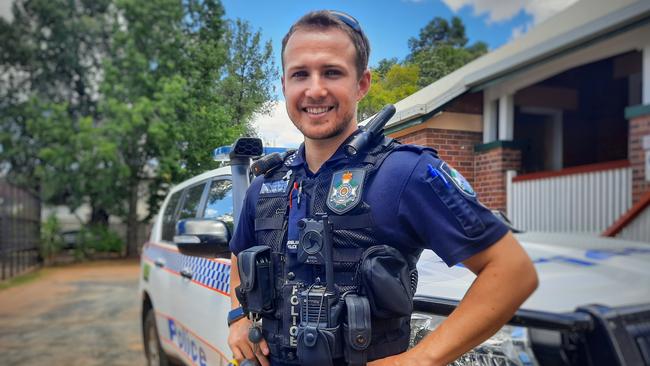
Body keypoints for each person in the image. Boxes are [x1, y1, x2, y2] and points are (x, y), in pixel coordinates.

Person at [227, 10, 538, 366]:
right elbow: (239, 252)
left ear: (362, 83)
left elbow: (512, 270)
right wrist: (237, 318)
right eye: (300, 74)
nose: (315, 89)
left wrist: (421, 358)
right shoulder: (267, 183)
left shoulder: (407, 173)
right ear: (284, 85)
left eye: (332, 72)